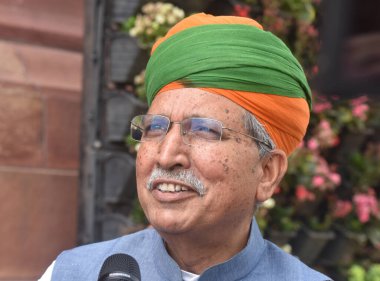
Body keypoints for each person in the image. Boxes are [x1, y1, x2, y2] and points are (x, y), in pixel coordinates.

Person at [39, 13, 332, 281]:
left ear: (267, 171)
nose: (167, 156)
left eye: (203, 130)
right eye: (155, 128)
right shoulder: (72, 273)